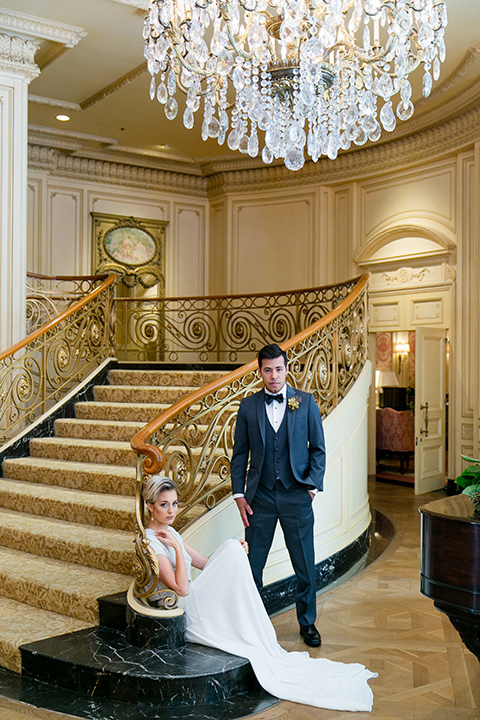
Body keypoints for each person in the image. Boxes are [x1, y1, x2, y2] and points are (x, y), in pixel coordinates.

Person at [142, 475, 377, 712]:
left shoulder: (171, 532)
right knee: (232, 554)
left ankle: (255, 628)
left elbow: (204, 563)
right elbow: (181, 588)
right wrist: (175, 548)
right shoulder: (154, 543)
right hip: (188, 609)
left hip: (194, 595)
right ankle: (253, 628)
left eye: (174, 503)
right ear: (150, 506)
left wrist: (232, 553)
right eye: (164, 504)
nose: (171, 510)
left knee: (234, 549)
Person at [230, 343, 325, 647]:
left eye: (279, 369)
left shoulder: (306, 402)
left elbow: (318, 450)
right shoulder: (248, 407)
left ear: (287, 368)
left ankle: (307, 623)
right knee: (252, 566)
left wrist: (311, 487)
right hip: (260, 498)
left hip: (296, 494)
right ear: (259, 372)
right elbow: (239, 454)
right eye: (267, 370)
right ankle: (252, 623)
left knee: (304, 563)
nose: (274, 375)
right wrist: (238, 495)